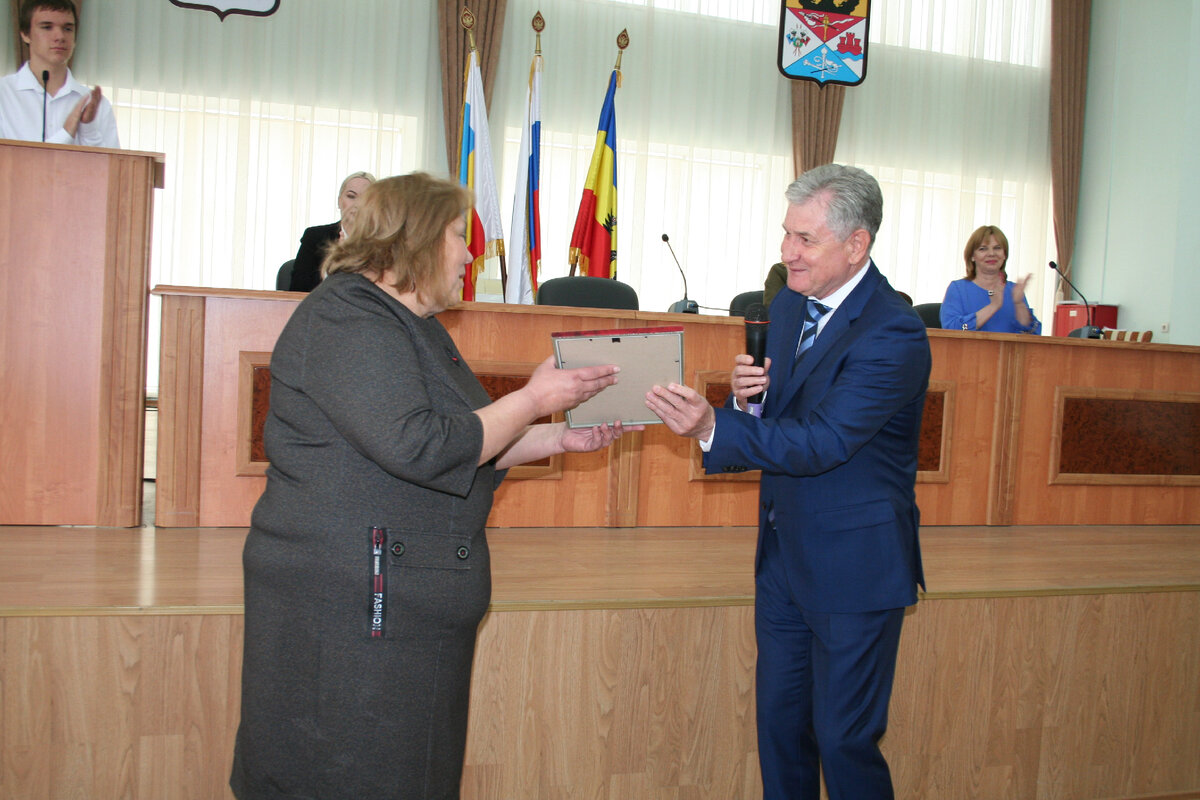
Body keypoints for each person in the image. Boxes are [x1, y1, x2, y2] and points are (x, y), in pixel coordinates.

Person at [231, 172, 634, 799]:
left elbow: (463, 437)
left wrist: (555, 436)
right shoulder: (346, 317)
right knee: (341, 773)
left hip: (395, 602)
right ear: (414, 238)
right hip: (348, 609)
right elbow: (417, 444)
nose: (470, 253)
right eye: (457, 235)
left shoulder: (410, 321)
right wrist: (532, 399)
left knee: (404, 774)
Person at [645, 164, 930, 800]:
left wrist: (712, 427)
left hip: (854, 566)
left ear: (856, 245)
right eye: (786, 235)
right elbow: (785, 420)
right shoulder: (788, 305)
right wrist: (750, 405)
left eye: (805, 239)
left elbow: (827, 442)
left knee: (843, 740)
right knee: (780, 732)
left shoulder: (895, 332)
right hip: (782, 556)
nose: (786, 253)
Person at [0, 0, 119, 147]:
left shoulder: (96, 105)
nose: (60, 36)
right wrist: (66, 133)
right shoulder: (3, 94)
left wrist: (88, 130)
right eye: (47, 27)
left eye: (68, 29)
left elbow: (111, 168)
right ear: (25, 34)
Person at [940, 224, 1041, 333]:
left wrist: (1019, 304)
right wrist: (993, 306)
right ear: (972, 256)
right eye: (983, 249)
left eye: (997, 248)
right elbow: (951, 329)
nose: (991, 253)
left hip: (1008, 350)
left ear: (1004, 255)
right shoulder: (958, 289)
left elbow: (1031, 335)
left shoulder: (1014, 290)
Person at [287, 170, 376, 291]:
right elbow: (298, 288)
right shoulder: (315, 237)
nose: (357, 204)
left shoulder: (383, 243)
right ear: (339, 201)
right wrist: (332, 267)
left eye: (366, 198)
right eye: (351, 196)